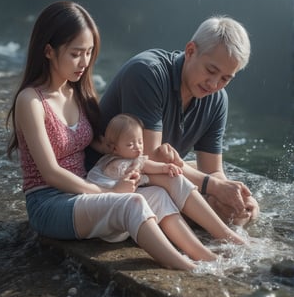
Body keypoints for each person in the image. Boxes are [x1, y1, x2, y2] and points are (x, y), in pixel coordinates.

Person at [6, 0, 227, 272]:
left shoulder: (77, 93)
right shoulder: (31, 101)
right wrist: (107, 191)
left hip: (84, 194)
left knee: (158, 190)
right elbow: (50, 173)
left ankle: (210, 257)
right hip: (49, 203)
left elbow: (105, 145)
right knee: (131, 202)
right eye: (76, 54)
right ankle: (188, 268)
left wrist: (150, 165)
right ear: (49, 51)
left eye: (89, 53)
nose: (84, 63)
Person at [92, 16, 260, 226]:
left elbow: (212, 170)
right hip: (108, 177)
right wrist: (215, 187)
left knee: (231, 210)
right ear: (190, 51)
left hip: (160, 175)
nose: (214, 84)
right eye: (211, 70)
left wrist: (239, 199)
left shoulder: (217, 100)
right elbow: (149, 157)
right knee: (210, 196)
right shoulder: (148, 72)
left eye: (226, 79)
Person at [87, 113, 245, 246]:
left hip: (116, 213)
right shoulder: (117, 164)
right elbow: (146, 165)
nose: (137, 147)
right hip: (109, 219)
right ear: (114, 148)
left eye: (140, 141)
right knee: (169, 180)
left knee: (160, 192)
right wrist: (164, 167)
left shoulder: (126, 159)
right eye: (130, 144)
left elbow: (144, 164)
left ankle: (199, 245)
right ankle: (221, 237)